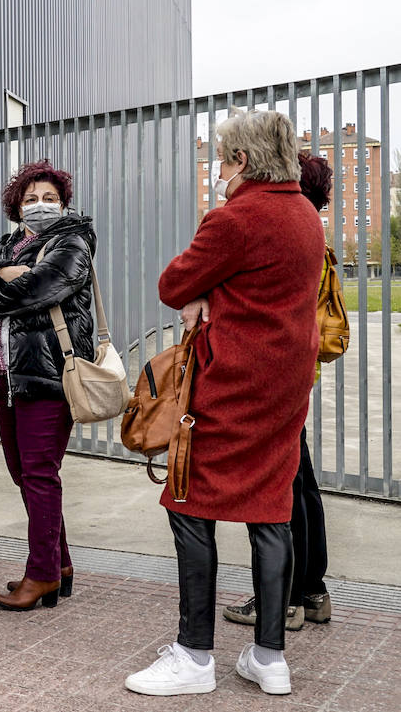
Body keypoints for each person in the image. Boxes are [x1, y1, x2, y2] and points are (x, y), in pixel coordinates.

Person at [125, 110, 323, 697]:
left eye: (220, 157)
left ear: (241, 160)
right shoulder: (305, 215)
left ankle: (193, 655)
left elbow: (172, 285)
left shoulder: (234, 218)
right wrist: (215, 290)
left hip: (232, 383)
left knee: (188, 502)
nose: (216, 167)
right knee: (271, 508)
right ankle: (269, 657)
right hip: (286, 386)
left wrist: (203, 292)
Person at [0, 160, 94, 611]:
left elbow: (38, 289)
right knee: (25, 473)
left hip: (48, 374)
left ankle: (42, 574)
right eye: (31, 199)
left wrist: (1, 287)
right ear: (16, 207)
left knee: (39, 473)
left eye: (49, 198)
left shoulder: (72, 241)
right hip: (8, 374)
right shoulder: (9, 243)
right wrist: (6, 275)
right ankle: (59, 564)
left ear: (64, 203)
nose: (40, 205)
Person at [222, 151, 337, 633]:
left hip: (277, 378)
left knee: (282, 487)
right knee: (301, 482)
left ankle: (284, 599)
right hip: (299, 373)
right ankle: (312, 591)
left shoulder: (288, 235)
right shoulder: (314, 237)